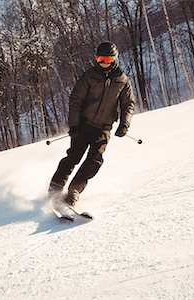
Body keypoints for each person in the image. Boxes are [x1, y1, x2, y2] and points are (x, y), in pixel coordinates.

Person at [48, 41, 136, 207]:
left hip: (103, 128)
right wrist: (74, 125)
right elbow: (76, 100)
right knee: (74, 157)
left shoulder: (123, 81)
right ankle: (55, 189)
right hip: (83, 125)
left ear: (115, 59)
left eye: (108, 59)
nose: (104, 63)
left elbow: (128, 104)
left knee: (95, 160)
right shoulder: (89, 76)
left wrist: (125, 124)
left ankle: (74, 190)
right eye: (101, 59)